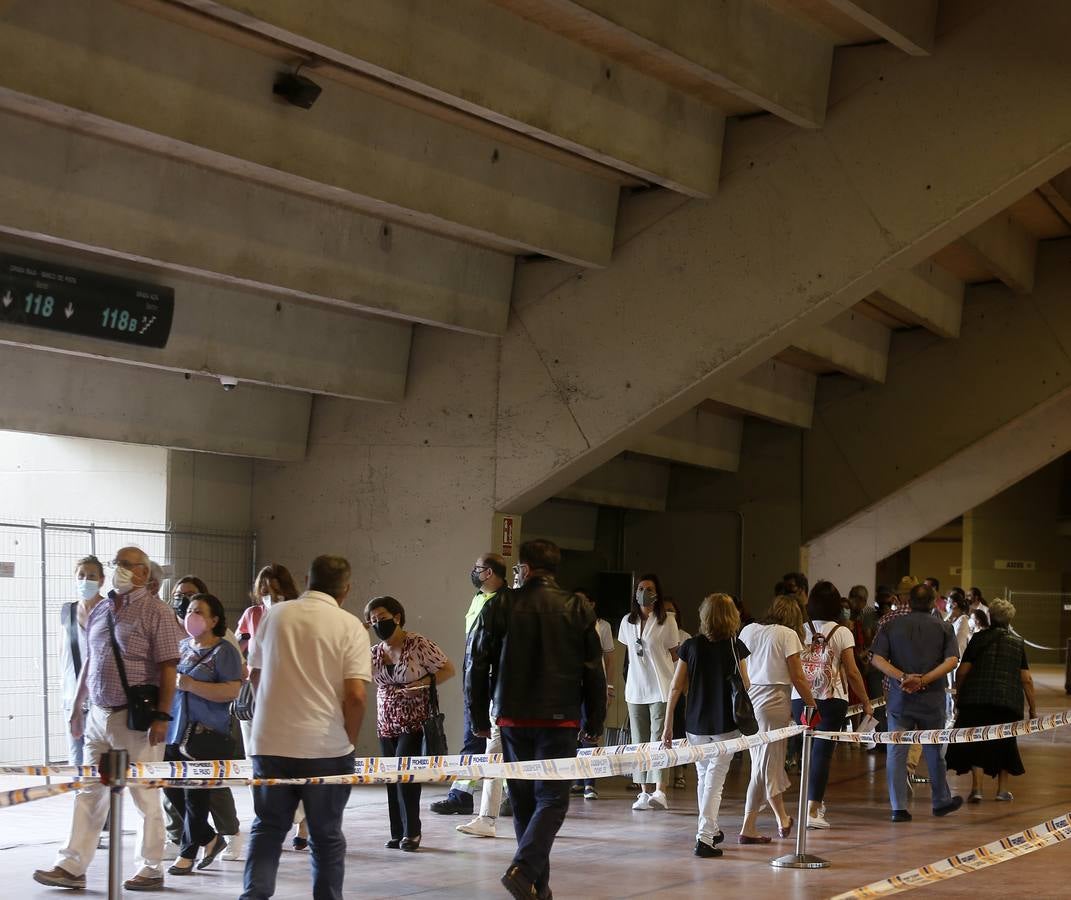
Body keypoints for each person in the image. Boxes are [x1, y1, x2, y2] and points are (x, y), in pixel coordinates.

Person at [34, 546, 185, 892]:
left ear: (143, 574)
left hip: (135, 720)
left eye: (124, 564)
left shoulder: (156, 611)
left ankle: (150, 867)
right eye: (115, 564)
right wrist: (77, 707)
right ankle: (71, 865)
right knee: (89, 791)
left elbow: (168, 667)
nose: (117, 569)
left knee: (145, 795)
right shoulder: (102, 607)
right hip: (98, 716)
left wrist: (163, 716)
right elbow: (91, 659)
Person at [467, 538, 606, 900]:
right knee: (553, 800)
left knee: (525, 802)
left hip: (512, 718)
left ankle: (537, 889)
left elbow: (476, 665)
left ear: (524, 569)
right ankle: (525, 871)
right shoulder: (576, 607)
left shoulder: (500, 604)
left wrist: (478, 715)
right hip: (560, 720)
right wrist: (595, 719)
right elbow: (594, 670)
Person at [241, 555, 371, 900]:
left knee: (267, 829)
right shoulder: (350, 626)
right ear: (347, 588)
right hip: (325, 748)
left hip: (270, 743)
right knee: (325, 836)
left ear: (306, 578)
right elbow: (356, 696)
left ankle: (253, 896)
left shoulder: (274, 616)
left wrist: (270, 714)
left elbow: (254, 675)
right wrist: (349, 741)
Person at [661, 593, 749, 858]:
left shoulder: (691, 646)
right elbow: (746, 684)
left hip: (695, 723)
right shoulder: (736, 646)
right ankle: (704, 837)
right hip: (725, 723)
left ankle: (710, 827)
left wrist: (667, 725)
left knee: (704, 777)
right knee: (715, 780)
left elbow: (675, 687)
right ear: (731, 617)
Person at [164, 574, 244, 861]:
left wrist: (192, 685)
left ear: (214, 619)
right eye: (188, 611)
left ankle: (187, 856)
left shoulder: (224, 650)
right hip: (175, 731)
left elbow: (233, 689)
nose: (190, 615)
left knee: (196, 795)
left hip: (204, 734)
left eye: (198, 611)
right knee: (172, 787)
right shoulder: (183, 647)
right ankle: (208, 838)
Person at [365, 595, 455, 850]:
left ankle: (412, 832)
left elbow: (448, 669)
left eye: (381, 618)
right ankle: (397, 832)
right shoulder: (374, 652)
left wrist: (422, 683)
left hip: (413, 721)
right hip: (386, 723)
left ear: (397, 617)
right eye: (372, 621)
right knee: (391, 779)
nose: (377, 624)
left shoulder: (417, 643)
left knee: (406, 778)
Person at [870, 583, 963, 822]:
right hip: (932, 699)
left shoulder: (891, 625)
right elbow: (952, 660)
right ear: (933, 603)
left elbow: (877, 658)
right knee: (934, 751)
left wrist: (902, 677)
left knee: (897, 752)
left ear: (908, 603)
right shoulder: (944, 627)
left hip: (900, 699)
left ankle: (898, 808)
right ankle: (941, 800)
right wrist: (924, 680)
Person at [235, 564, 307, 853]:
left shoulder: (298, 614)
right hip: (255, 695)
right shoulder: (252, 615)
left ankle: (302, 820)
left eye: (274, 591)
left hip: (288, 695)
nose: (268, 596)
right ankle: (266, 816)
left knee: (291, 764)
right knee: (256, 762)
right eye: (264, 591)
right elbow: (238, 646)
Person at [436, 553, 510, 831]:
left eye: (477, 568)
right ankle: (466, 794)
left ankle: (462, 794)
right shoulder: (480, 597)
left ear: (489, 572)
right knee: (481, 740)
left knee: (481, 738)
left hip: (490, 679)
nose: (474, 572)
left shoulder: (504, 602)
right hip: (476, 674)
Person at [791, 581, 872, 829]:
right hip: (832, 699)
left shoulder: (799, 630)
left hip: (801, 699)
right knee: (822, 755)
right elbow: (853, 672)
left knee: (807, 751)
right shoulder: (842, 631)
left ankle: (807, 804)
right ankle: (813, 809)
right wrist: (866, 702)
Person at [738, 596, 816, 842]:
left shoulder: (749, 630)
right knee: (764, 767)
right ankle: (750, 826)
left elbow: (738, 665)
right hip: (774, 701)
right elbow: (798, 676)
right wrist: (812, 705)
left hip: (748, 702)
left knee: (764, 765)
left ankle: (779, 818)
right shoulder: (787, 634)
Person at [946, 598, 1036, 802]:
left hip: (976, 701)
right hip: (1007, 702)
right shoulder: (1017, 643)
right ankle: (1002, 791)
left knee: (977, 741)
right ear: (1010, 620)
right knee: (1005, 743)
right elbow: (1026, 679)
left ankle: (977, 789)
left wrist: (959, 696)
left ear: (990, 617)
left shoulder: (978, 639)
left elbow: (962, 672)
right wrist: (1032, 709)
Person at [618, 573, 680, 810]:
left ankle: (660, 790)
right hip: (635, 689)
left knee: (659, 740)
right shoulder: (627, 621)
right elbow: (628, 655)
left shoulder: (667, 621)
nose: (644, 591)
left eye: (649, 588)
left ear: (657, 593)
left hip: (660, 687)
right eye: (640, 587)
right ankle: (643, 792)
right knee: (639, 742)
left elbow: (675, 653)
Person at [60, 555, 106, 766]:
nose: (85, 580)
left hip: (101, 698)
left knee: (99, 761)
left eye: (91, 576)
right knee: (76, 760)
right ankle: (79, 799)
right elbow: (65, 653)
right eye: (81, 575)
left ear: (101, 580)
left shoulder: (109, 611)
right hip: (72, 695)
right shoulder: (67, 611)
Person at [571, 588, 615, 800]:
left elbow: (606, 660)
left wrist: (608, 686)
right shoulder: (565, 624)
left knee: (590, 733)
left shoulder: (601, 626)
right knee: (574, 735)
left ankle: (591, 783)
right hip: (571, 686)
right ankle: (579, 780)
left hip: (592, 685)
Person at [661, 597, 690, 790]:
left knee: (678, 730)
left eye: (672, 610)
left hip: (680, 689)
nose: (669, 613)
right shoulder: (657, 631)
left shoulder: (685, 636)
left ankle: (679, 772)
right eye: (665, 611)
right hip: (661, 688)